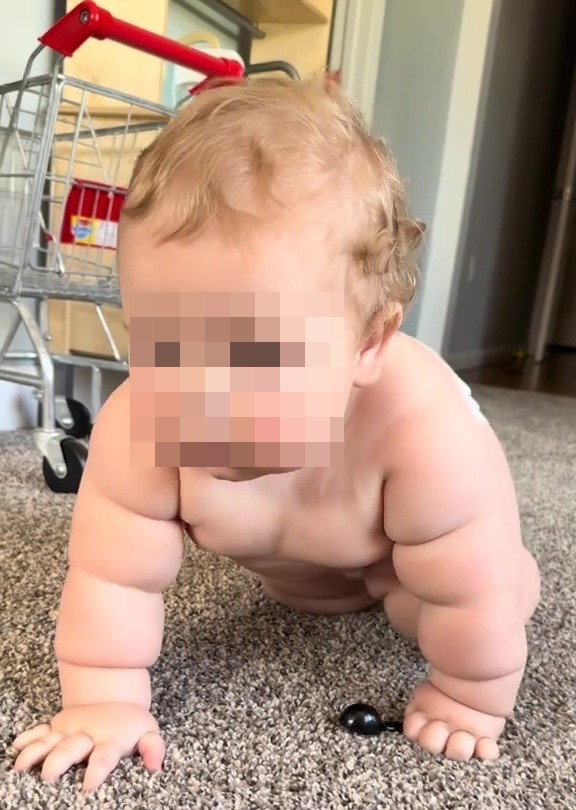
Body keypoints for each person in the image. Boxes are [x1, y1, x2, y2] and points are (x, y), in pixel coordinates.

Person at [10, 76, 540, 793]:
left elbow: (472, 593)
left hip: (386, 562)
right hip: (293, 576)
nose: (205, 400)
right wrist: (103, 696)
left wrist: (468, 697)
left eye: (255, 358)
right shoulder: (141, 426)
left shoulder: (422, 434)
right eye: (163, 348)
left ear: (367, 344)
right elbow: (112, 577)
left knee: (462, 596)